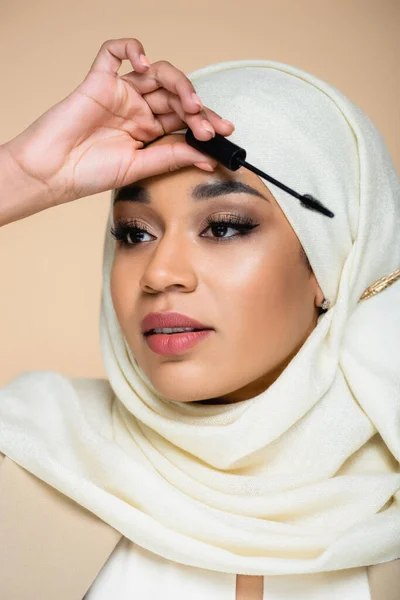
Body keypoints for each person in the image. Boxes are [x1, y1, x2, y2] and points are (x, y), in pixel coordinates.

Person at [0, 38, 399, 600]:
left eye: (225, 226)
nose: (160, 273)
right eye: (135, 234)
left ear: (335, 263)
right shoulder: (30, 457)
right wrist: (21, 175)